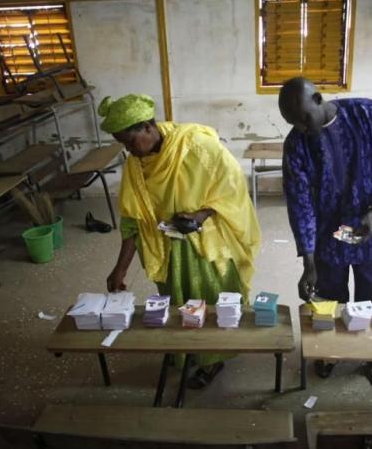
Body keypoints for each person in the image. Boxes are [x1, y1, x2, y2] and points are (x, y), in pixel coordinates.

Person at [101, 94, 261, 389]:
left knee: (210, 302)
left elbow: (232, 188)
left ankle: (213, 360)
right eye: (122, 144)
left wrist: (200, 215)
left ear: (148, 127)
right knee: (178, 304)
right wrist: (120, 268)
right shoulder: (137, 164)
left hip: (207, 244)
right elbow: (133, 219)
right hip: (167, 247)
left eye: (130, 142)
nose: (128, 151)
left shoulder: (198, 147)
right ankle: (186, 349)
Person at [278, 78, 372, 395]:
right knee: (330, 302)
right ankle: (331, 351)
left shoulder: (368, 114)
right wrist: (308, 259)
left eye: (305, 119)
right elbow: (300, 203)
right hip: (327, 239)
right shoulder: (296, 144)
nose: (303, 129)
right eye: (294, 124)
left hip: (370, 232)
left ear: (319, 98)